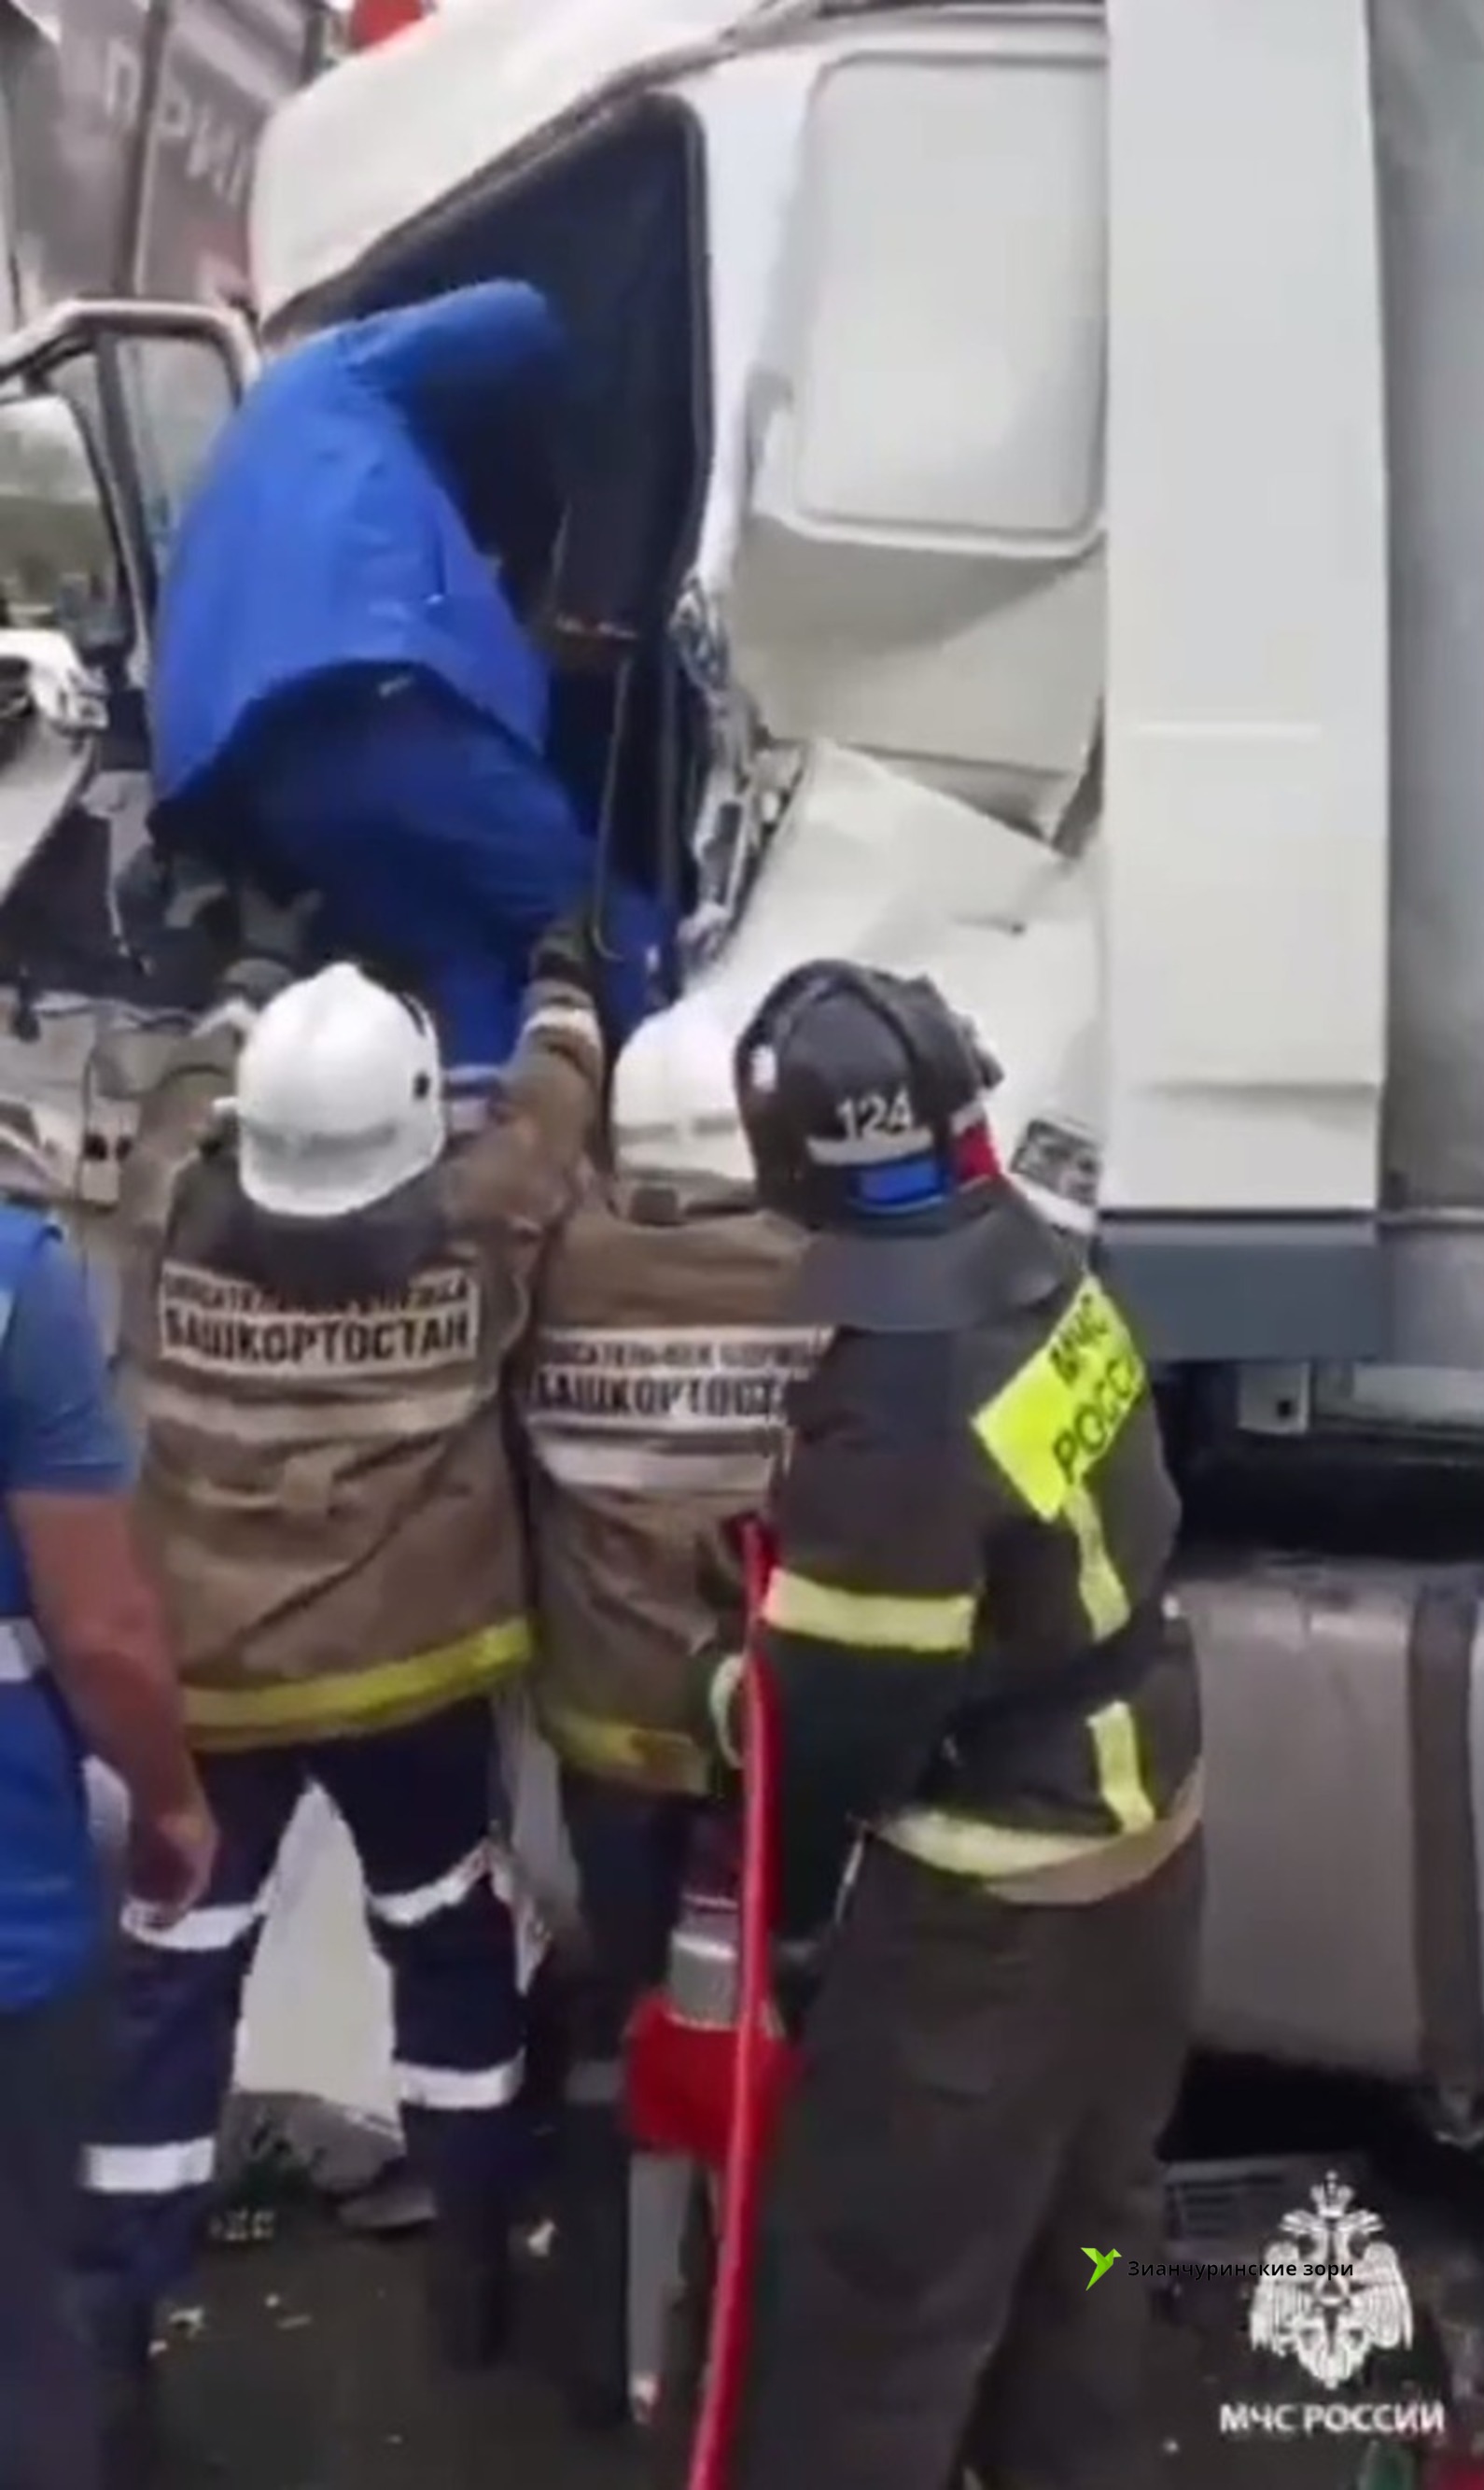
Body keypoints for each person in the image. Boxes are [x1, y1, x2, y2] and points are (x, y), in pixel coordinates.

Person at [78, 911, 609, 2481]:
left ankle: (113, 2328)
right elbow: (550, 1125)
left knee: (176, 1980)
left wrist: (248, 980)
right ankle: (470, 2268)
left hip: (219, 1688)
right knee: (444, 1940)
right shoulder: (477, 1237)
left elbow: (179, 1100)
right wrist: (566, 989)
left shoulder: (171, 1215)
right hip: (414, 1678)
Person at [708, 961, 1205, 2490]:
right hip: (1143, 1848)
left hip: (987, 1926)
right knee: (1090, 2237)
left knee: (884, 2303)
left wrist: (732, 1703)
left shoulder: (893, 1398)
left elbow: (839, 1721)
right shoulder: (1051, 1270)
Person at [148, 278, 664, 1122]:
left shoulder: (253, 454)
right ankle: (706, 1123)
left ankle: (472, 1152)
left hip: (265, 780)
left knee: (462, 953)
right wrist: (604, 380)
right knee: (596, 920)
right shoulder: (340, 369)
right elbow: (520, 313)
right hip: (370, 705)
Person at [519, 1161, 815, 2427]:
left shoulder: (563, 1263)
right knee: (786, 2017)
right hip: (764, 1735)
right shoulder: (816, 1265)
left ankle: (619, 2350)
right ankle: (769, 2331)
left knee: (633, 2021)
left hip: (614, 1738)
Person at [0, 1188, 213, 2490]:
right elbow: (104, 1636)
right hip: (10, 1918)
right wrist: (171, 1800)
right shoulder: (15, 1282)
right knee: (18, 2332)